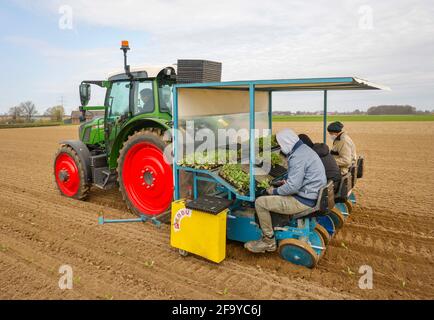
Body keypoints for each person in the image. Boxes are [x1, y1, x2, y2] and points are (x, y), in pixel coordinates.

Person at [244, 129, 327, 253]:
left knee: (260, 202)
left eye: (280, 145)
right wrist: (287, 183)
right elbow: (298, 179)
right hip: (311, 194)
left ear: (286, 143)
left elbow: (293, 187)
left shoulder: (297, 157)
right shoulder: (304, 150)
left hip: (303, 200)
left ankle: (268, 241)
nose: (281, 148)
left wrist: (274, 191)